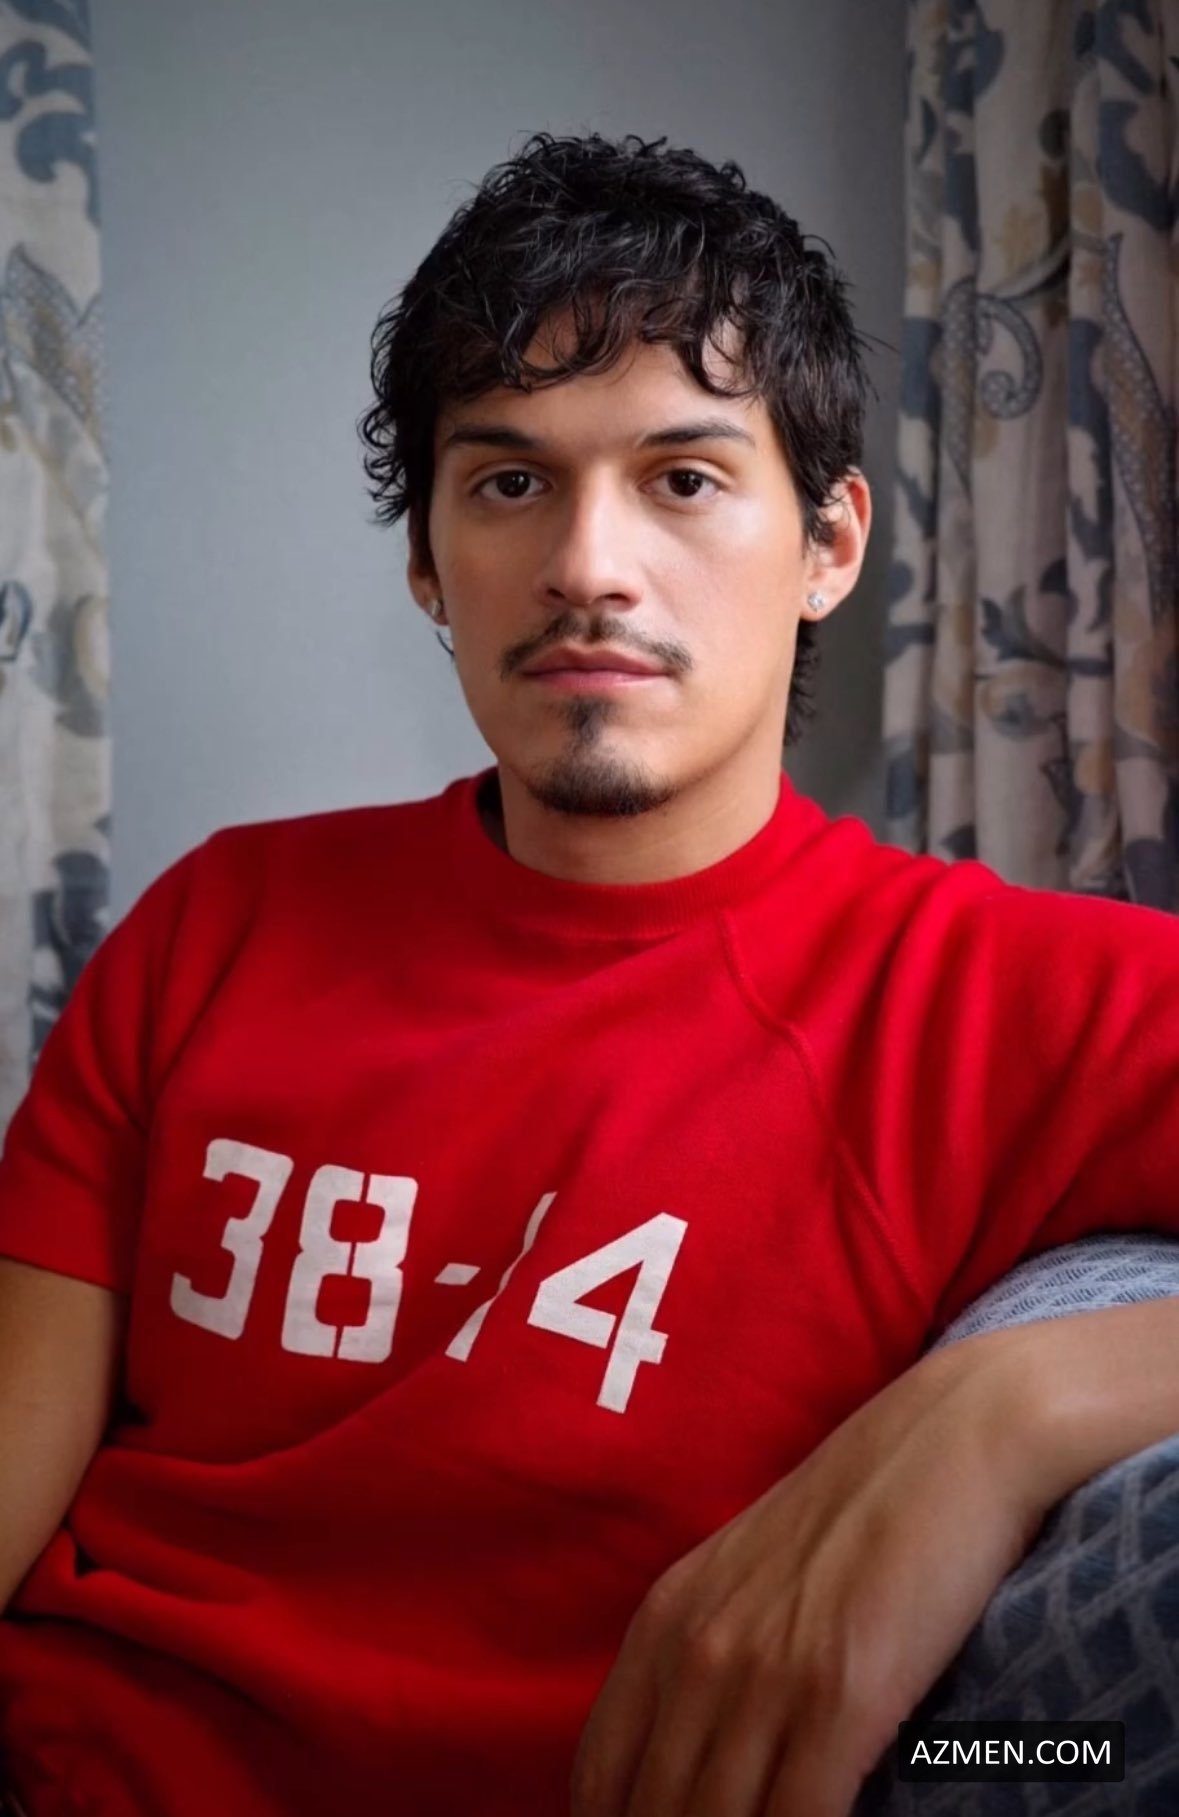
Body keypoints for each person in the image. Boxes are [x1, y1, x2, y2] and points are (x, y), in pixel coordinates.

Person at [0, 128, 1178, 1817]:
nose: (587, 566)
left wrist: (1016, 1400)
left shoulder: (989, 996)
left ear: (832, 543)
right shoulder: (220, 921)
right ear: (429, 563)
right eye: (509, 482)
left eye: (684, 478)